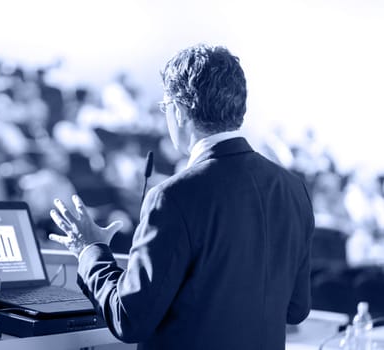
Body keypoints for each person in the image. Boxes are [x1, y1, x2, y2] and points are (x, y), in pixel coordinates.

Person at [49, 44, 314, 350]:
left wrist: (90, 251)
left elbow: (129, 318)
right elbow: (296, 309)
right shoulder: (293, 189)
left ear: (179, 109)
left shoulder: (172, 197)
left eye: (165, 107)